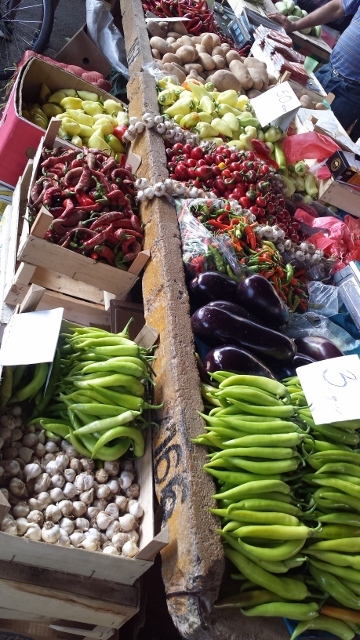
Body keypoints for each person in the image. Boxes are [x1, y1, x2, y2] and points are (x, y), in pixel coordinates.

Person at [269, 0, 360, 131]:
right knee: (288, 117)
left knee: (315, 132)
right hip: (329, 71)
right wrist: (295, 25)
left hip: (350, 94)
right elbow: (337, 8)